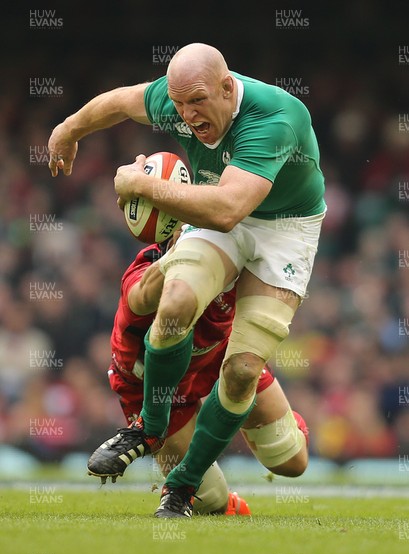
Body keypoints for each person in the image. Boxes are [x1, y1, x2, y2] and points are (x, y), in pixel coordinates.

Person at [48, 43, 325, 518]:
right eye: (177, 105)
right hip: (219, 210)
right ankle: (152, 437)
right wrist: (68, 129)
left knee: (243, 375)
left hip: (282, 227)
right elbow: (119, 102)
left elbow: (227, 211)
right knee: (175, 298)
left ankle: (183, 476)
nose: (186, 115)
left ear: (226, 86)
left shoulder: (274, 117)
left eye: (197, 102)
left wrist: (140, 185)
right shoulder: (177, 101)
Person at [87, 238, 309, 516]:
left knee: (290, 460)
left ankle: (279, 417)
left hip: (220, 355)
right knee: (210, 501)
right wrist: (181, 257)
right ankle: (159, 440)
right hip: (154, 387)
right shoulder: (146, 272)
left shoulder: (237, 251)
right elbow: (143, 298)